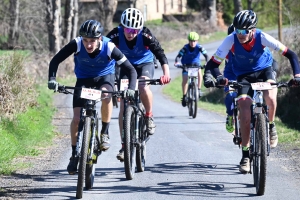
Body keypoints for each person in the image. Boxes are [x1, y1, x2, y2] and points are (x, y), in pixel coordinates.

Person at [203, 10, 300, 173]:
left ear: (252, 30)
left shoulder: (261, 37)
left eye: (244, 31)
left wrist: (297, 75)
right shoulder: (231, 40)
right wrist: (219, 77)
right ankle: (246, 155)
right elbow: (212, 64)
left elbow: (291, 54)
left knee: (270, 95)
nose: (240, 34)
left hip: (265, 70)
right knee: (244, 107)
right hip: (244, 75)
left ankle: (271, 125)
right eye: (238, 31)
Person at [48, 20, 137, 175]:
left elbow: (130, 69)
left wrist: (130, 88)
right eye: (86, 41)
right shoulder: (76, 44)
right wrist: (52, 79)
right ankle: (75, 155)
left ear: (99, 39)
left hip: (105, 77)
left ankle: (104, 132)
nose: (88, 45)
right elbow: (55, 60)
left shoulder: (109, 46)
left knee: (106, 94)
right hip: (83, 79)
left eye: (92, 41)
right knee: (76, 118)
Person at [106, 8, 171, 161]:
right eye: (128, 29)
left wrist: (166, 73)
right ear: (122, 26)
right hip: (124, 66)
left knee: (143, 86)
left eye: (135, 30)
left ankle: (148, 116)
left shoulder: (146, 34)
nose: (131, 33)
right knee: (122, 107)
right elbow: (104, 52)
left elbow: (160, 54)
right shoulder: (115, 34)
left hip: (144, 64)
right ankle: (124, 145)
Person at [223, 24, 278, 133]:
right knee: (231, 96)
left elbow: (271, 62)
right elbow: (225, 67)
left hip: (251, 74)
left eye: (243, 33)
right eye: (236, 34)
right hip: (233, 75)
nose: (240, 37)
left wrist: (273, 73)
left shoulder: (255, 45)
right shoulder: (228, 48)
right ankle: (230, 116)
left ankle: (264, 123)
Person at [174, 32, 209, 107]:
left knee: (199, 72)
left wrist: (207, 63)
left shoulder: (199, 47)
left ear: (197, 41)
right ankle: (184, 96)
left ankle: (198, 90)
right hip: (186, 65)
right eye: (191, 41)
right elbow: (178, 56)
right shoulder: (185, 48)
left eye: (194, 41)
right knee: (185, 79)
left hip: (196, 64)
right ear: (188, 41)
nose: (192, 43)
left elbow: (206, 55)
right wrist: (177, 62)